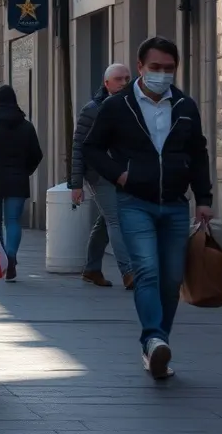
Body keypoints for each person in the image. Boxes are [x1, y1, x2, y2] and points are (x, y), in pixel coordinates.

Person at [83, 37, 212, 380]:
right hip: (134, 201)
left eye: (169, 69)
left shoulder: (185, 105)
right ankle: (153, 339)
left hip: (173, 204)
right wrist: (119, 175)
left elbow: (198, 153)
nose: (162, 74)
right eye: (155, 68)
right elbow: (91, 148)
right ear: (140, 67)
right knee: (148, 272)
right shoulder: (117, 106)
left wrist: (204, 199)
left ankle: (158, 348)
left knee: (171, 279)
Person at [70, 63, 134, 289]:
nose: (124, 82)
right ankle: (129, 272)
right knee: (116, 219)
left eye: (127, 78)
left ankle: (91, 269)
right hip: (99, 174)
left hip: (124, 174)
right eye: (119, 79)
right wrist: (76, 184)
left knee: (105, 220)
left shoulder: (132, 107)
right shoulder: (93, 109)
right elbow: (78, 146)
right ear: (106, 83)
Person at [0, 85, 43, 281]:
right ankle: (12, 255)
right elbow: (37, 154)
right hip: (18, 180)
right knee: (13, 221)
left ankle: (1, 259)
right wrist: (24, 171)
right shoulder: (27, 126)